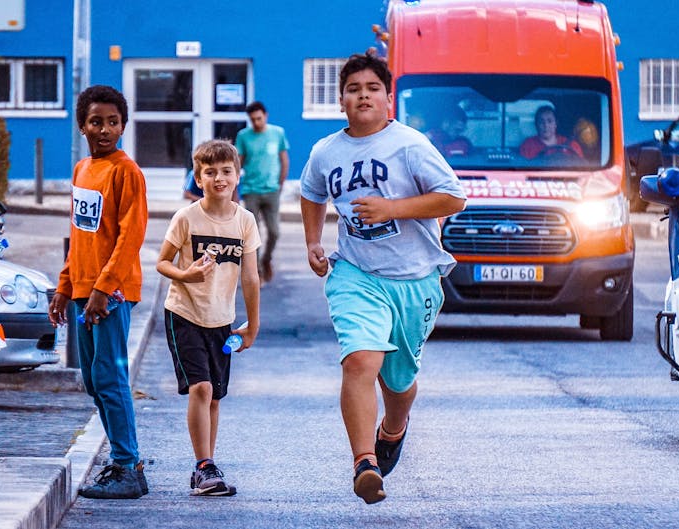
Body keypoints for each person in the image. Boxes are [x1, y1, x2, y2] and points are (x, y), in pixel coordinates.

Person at [300, 49, 467, 505]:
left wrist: (393, 208)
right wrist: (314, 241)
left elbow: (454, 198)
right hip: (355, 272)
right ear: (341, 101)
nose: (363, 96)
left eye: (372, 88)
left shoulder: (409, 145)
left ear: (388, 98)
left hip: (414, 279)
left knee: (398, 380)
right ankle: (364, 462)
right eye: (353, 89)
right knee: (359, 361)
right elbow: (311, 192)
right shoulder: (325, 151)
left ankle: (393, 428)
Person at [47, 85, 149, 499]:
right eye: (96, 122)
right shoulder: (82, 170)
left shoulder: (127, 172)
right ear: (82, 125)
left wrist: (105, 289)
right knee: (92, 379)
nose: (104, 130)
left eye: (112, 122)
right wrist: (65, 285)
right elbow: (79, 234)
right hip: (82, 291)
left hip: (111, 293)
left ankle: (128, 464)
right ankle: (123, 461)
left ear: (123, 125)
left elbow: (130, 238)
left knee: (110, 376)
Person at [156, 139, 261, 496]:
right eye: (210, 172)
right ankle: (203, 466)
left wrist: (253, 326)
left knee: (214, 396)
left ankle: (207, 464)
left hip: (222, 319)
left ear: (237, 176)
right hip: (184, 313)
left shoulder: (245, 221)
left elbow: (250, 277)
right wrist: (187, 275)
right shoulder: (186, 218)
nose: (219, 178)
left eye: (226, 171)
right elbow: (163, 261)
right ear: (197, 178)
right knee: (200, 388)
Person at [236, 101, 289, 284]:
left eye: (259, 118)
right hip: (251, 190)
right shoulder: (243, 136)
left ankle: (267, 259)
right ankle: (256, 270)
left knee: (274, 231)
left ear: (265, 115)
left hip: (272, 190)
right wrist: (233, 190)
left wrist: (280, 183)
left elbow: (284, 159)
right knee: (253, 234)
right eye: (252, 120)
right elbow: (237, 164)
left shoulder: (277, 133)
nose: (256, 123)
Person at [519, 101, 583, 160]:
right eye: (541, 122)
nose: (546, 125)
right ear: (536, 125)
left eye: (549, 121)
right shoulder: (527, 146)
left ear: (555, 124)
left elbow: (581, 169)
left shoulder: (572, 145)